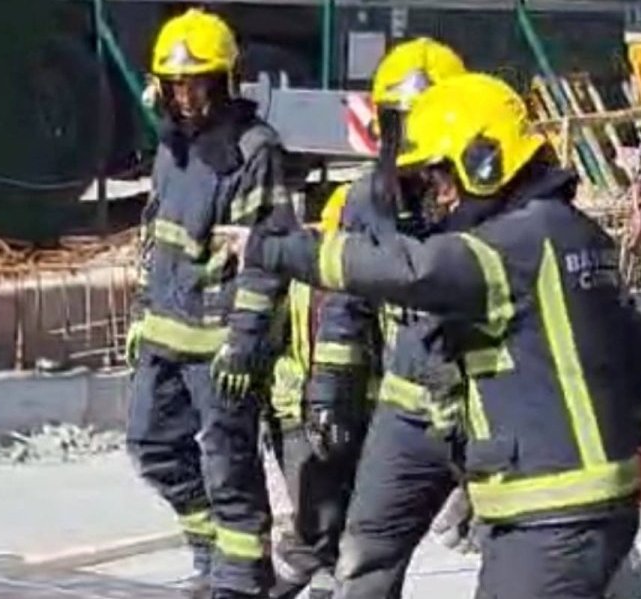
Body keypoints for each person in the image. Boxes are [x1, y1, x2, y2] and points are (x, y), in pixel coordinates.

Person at [233, 72, 641, 599]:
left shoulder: (508, 245)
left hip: (550, 512)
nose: (436, 197)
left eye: (441, 178)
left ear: (484, 161)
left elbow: (409, 271)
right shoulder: (572, 232)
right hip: (580, 505)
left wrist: (273, 248)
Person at [123, 8, 298, 599]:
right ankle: (208, 549)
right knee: (150, 445)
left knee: (228, 466)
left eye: (198, 83)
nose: (187, 97)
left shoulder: (256, 151)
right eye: (176, 85)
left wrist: (245, 345)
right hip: (164, 337)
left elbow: (266, 257)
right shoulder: (172, 148)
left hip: (220, 348)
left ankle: (242, 578)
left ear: (225, 80)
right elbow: (158, 239)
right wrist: (141, 317)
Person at [318, 38, 478, 599]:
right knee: (364, 556)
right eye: (400, 123)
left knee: (526, 562)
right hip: (405, 410)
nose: (411, 138)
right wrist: (330, 392)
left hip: (486, 411)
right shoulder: (368, 200)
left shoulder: (489, 199)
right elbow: (346, 300)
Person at [265, 185, 373, 599]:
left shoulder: (366, 276)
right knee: (314, 520)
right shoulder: (300, 274)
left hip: (355, 411)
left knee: (336, 522)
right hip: (297, 413)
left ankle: (315, 582)